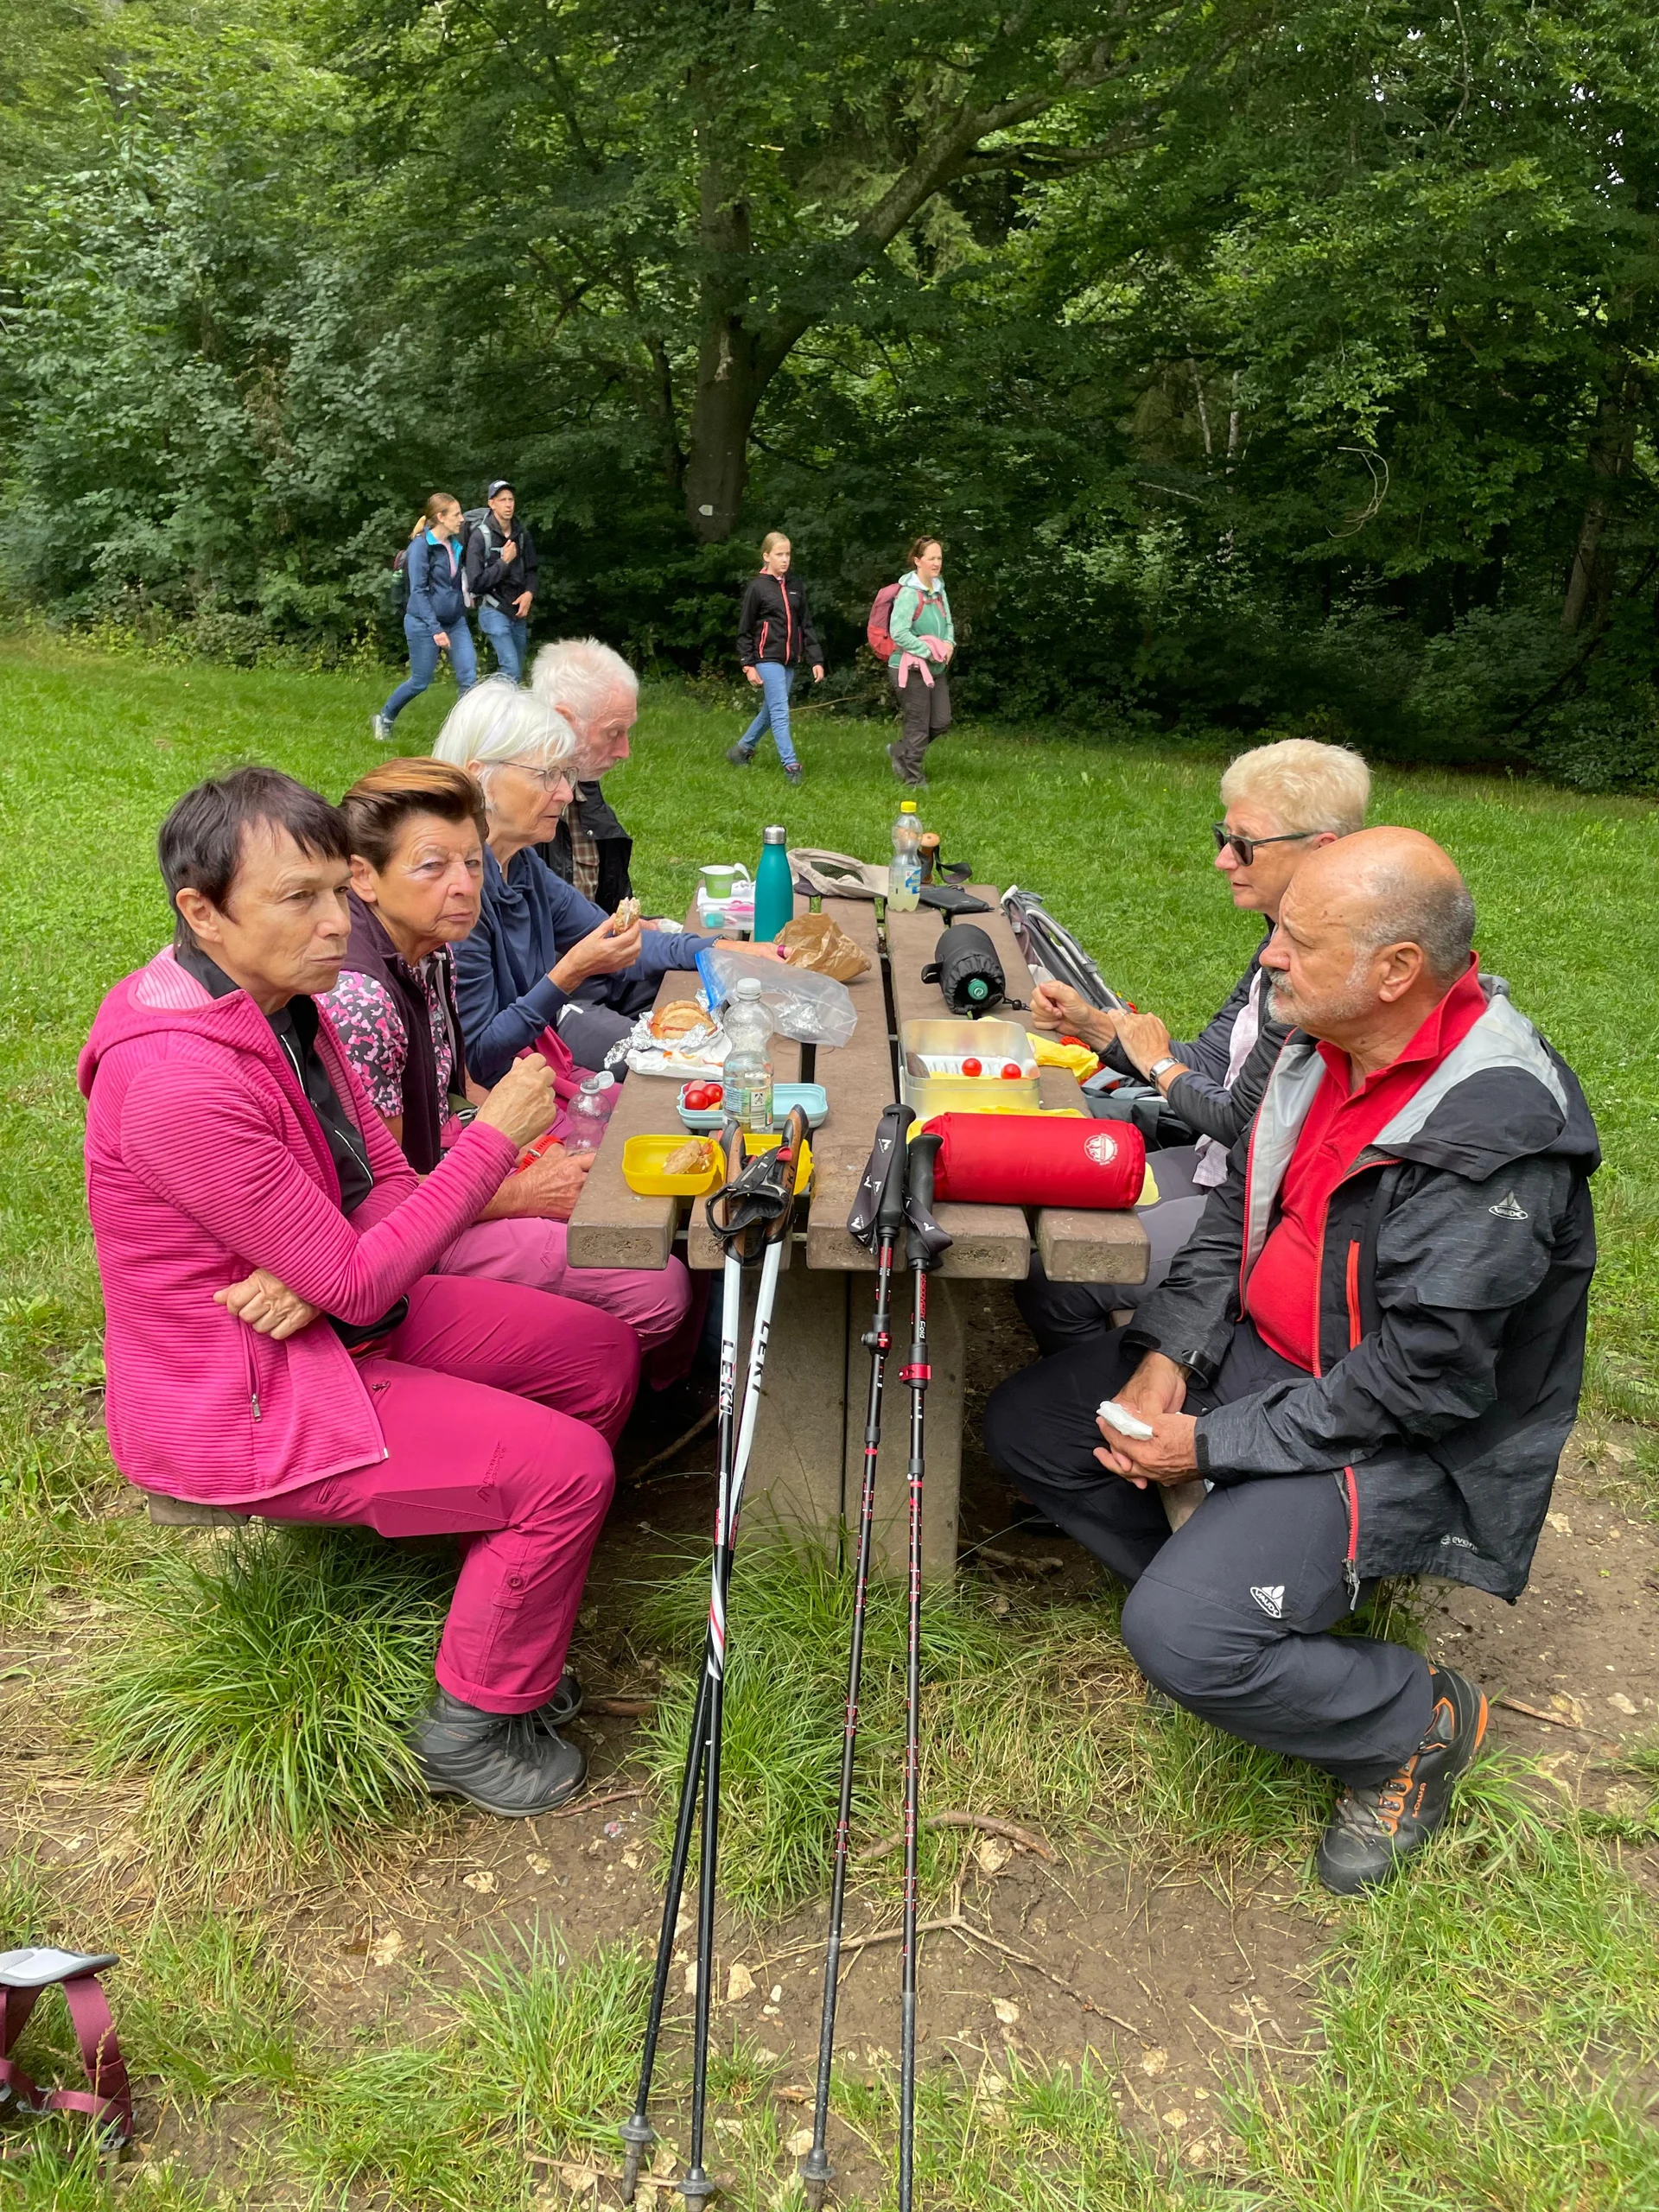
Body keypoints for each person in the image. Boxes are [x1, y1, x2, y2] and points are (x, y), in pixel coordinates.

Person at [984, 829, 1599, 1895]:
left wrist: (1208, 1442)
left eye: (1297, 941)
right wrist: (1168, 1352)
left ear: (1395, 970)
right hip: (1267, 1360)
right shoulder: (1319, 1044)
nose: (1268, 956)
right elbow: (1231, 1215)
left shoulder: (1492, 1133)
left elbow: (1422, 1381)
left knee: (1181, 1637)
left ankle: (1412, 1721)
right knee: (1033, 1430)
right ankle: (1232, 1595)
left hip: (1397, 1432)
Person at [80, 766, 646, 1820]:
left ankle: (501, 1591)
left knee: (599, 1356)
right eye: (297, 899)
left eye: (337, 891)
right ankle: (471, 1722)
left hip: (340, 1323)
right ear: (201, 912)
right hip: (248, 1394)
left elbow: (381, 1189)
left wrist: (335, 1261)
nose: (336, 922)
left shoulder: (292, 1006)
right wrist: (488, 1146)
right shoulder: (175, 1078)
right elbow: (352, 1276)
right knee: (566, 1469)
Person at [320, 757, 699, 1383]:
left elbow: (454, 1094)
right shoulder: (361, 1000)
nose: (465, 885)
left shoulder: (427, 946)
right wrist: (523, 1190)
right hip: (389, 1256)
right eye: (432, 866)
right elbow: (384, 1210)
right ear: (363, 876)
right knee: (656, 1287)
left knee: (644, 1160)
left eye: (472, 864)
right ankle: (588, 1386)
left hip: (447, 1169)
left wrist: (523, 1141)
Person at [1020, 738, 1370, 1351]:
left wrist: (1154, 1061)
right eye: (1223, 837)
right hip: (1224, 1172)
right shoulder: (1279, 936)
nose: (1223, 860)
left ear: (1322, 850)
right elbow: (1210, 1063)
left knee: (1062, 1272)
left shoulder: (1325, 965)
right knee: (1059, 1205)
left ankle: (1123, 1401)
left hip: (1272, 1209)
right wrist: (1096, 1027)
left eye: (1245, 845)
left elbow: (1244, 1122)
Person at [434, 681, 713, 1077]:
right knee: (671, 1072)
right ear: (480, 778)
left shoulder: (522, 865)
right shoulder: (458, 896)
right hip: (503, 1097)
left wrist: (720, 950)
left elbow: (618, 940)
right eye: (547, 775)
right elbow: (477, 1060)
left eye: (565, 774)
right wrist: (569, 973)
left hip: (541, 1061)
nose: (566, 793)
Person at [372, 494, 477, 742]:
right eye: (456, 514)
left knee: (468, 678)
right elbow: (418, 592)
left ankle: (461, 735)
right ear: (440, 517)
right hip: (423, 623)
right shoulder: (421, 547)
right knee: (421, 681)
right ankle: (385, 717)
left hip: (455, 622)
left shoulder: (455, 544)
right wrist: (435, 629)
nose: (462, 519)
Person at [726, 531, 823, 785]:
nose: (784, 559)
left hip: (790, 658)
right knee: (781, 712)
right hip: (766, 657)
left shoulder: (795, 585)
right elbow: (745, 630)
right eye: (779, 554)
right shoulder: (758, 588)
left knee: (771, 710)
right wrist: (748, 666)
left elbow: (806, 623)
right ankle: (791, 766)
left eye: (788, 554)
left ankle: (741, 751)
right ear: (766, 556)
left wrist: (816, 660)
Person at [886, 536, 955, 788]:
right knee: (918, 725)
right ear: (918, 561)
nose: (936, 563)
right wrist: (926, 650)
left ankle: (900, 751)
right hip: (910, 668)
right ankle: (913, 780)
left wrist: (949, 644)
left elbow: (948, 622)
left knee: (941, 722)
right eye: (931, 558)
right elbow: (899, 632)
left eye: (939, 558)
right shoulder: (908, 594)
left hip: (936, 668)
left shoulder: (939, 588)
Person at [464, 479, 539, 683]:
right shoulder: (480, 537)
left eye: (511, 499)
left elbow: (532, 570)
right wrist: (504, 562)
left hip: (518, 611)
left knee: (515, 668)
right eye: (502, 500)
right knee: (511, 668)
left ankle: (501, 710)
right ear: (492, 504)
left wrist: (529, 594)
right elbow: (476, 583)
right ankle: (484, 701)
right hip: (493, 609)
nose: (508, 504)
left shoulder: (522, 534)